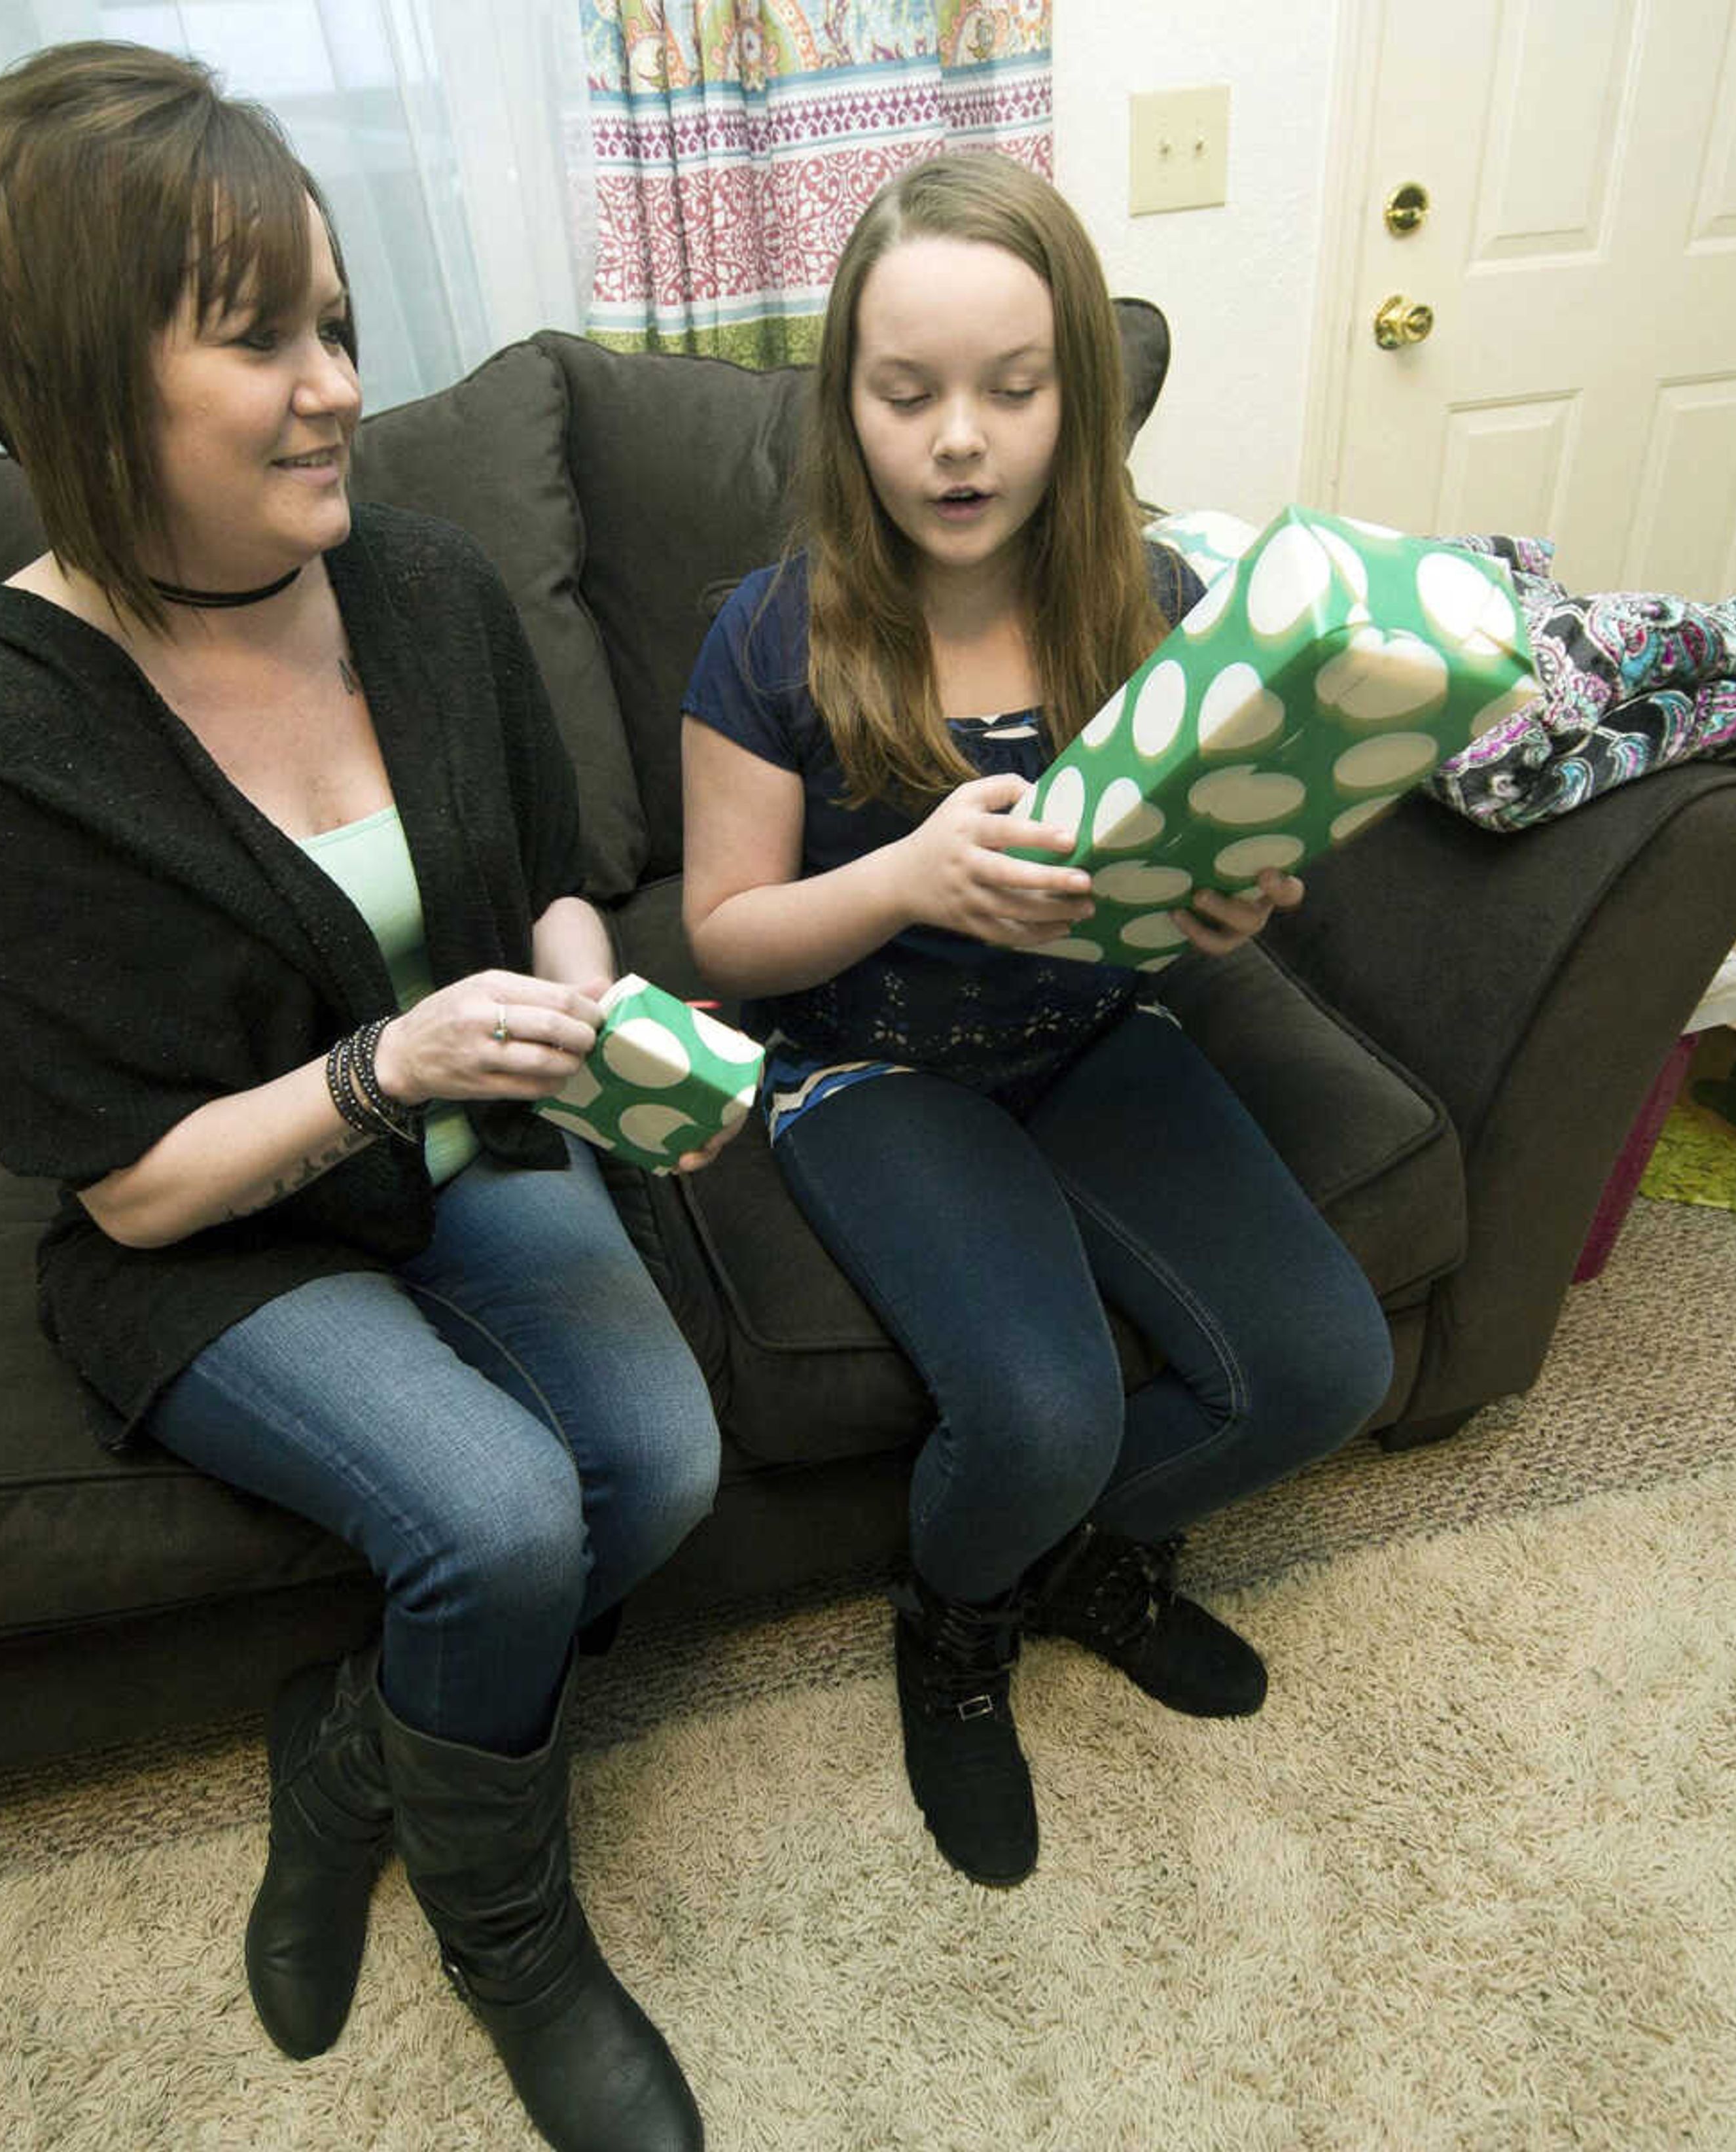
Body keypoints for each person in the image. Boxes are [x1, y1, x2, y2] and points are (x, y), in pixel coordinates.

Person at [0, 44, 718, 2152]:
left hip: (468, 1143)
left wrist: (592, 1012)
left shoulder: (427, 590)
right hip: (224, 1232)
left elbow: (548, 877)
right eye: (261, 338)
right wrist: (383, 1065)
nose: (338, 381)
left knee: (666, 1462)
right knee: (502, 1515)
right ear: (79, 387)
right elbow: (135, 1196)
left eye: (335, 320)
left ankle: (353, 1746)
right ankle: (509, 1929)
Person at [681, 154, 1394, 1888]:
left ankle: (1064, 1556)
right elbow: (726, 931)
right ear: (844, 400)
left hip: (1095, 1034)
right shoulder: (768, 634)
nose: (961, 442)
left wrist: (1226, 894)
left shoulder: (1144, 603)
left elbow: (1202, 861)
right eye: (907, 393)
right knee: (1040, 1409)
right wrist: (909, 877)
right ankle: (960, 1610)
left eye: (1012, 390)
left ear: (1078, 390)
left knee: (1326, 1369)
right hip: (870, 1067)